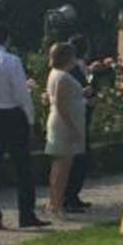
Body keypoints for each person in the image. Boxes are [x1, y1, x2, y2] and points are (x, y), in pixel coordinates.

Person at [0, 23, 47, 229]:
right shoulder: (11, 61)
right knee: (23, 167)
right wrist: (31, 119)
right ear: (6, 39)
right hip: (11, 115)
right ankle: (26, 214)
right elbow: (20, 94)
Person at [43, 43, 86, 219]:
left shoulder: (56, 74)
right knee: (63, 168)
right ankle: (57, 204)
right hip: (64, 125)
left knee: (59, 167)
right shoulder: (62, 77)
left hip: (61, 122)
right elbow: (60, 104)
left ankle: (53, 202)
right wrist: (72, 127)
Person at [62, 34, 96, 213]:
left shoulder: (78, 67)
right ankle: (69, 196)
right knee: (78, 158)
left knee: (81, 158)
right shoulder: (72, 69)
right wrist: (86, 99)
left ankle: (73, 194)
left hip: (82, 116)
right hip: (76, 117)